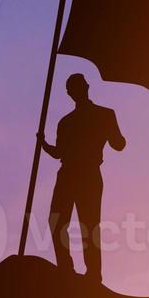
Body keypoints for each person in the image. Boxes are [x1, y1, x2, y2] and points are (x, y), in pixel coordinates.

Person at [38, 73, 125, 283]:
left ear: (85, 87)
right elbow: (60, 152)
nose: (76, 92)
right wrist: (44, 144)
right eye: (72, 89)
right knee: (58, 221)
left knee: (89, 225)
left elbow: (119, 144)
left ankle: (93, 274)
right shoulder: (66, 122)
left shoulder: (105, 115)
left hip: (87, 174)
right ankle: (67, 268)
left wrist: (110, 131)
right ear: (71, 93)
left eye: (77, 87)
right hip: (68, 174)